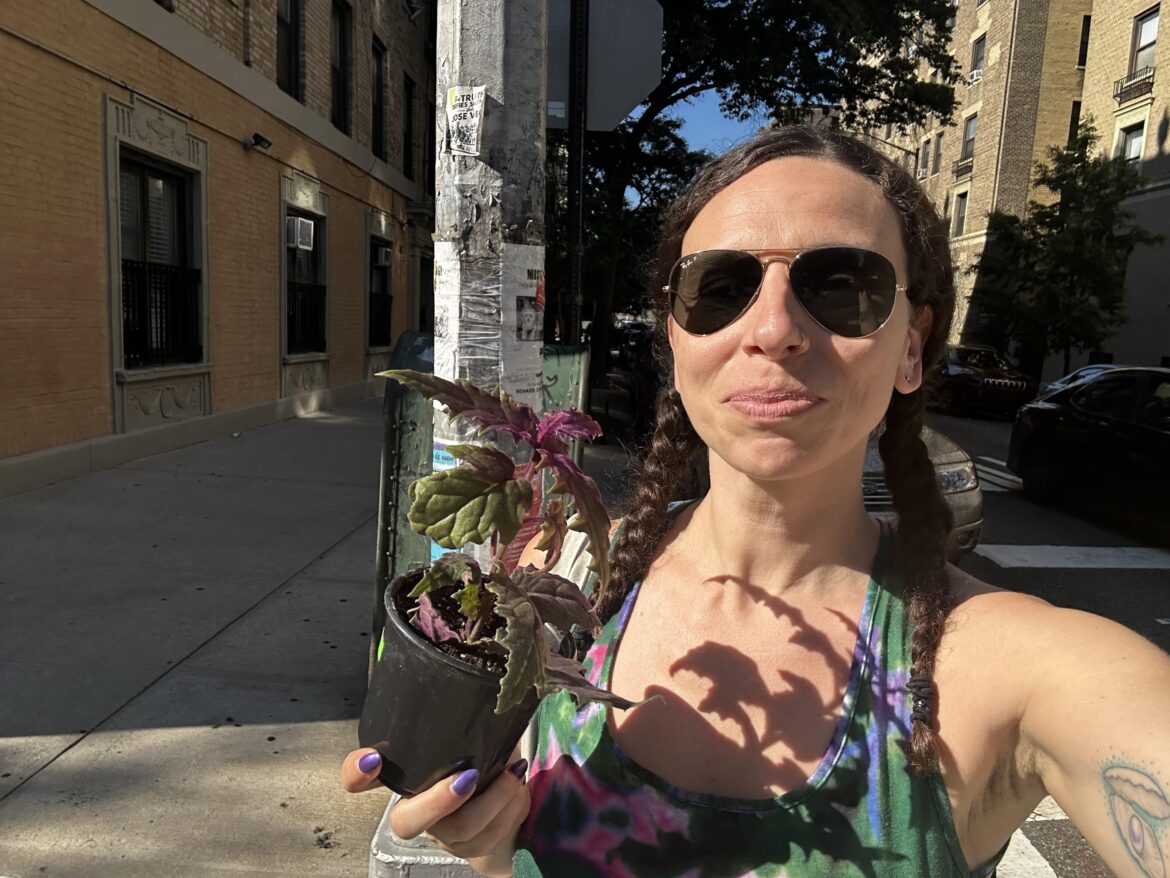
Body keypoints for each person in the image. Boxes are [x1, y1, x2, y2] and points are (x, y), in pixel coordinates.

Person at [342, 125, 1170, 877]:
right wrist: (492, 846)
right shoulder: (572, 583)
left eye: (842, 287)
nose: (773, 328)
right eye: (721, 286)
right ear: (676, 336)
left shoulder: (1018, 668)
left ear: (912, 346)